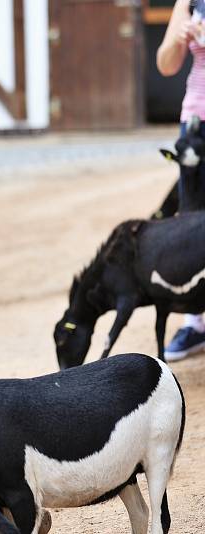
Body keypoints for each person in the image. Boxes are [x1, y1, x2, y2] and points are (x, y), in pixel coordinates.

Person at [157, 0, 205, 361]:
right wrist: (179, 39)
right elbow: (166, 64)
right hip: (195, 121)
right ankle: (196, 322)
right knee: (191, 221)